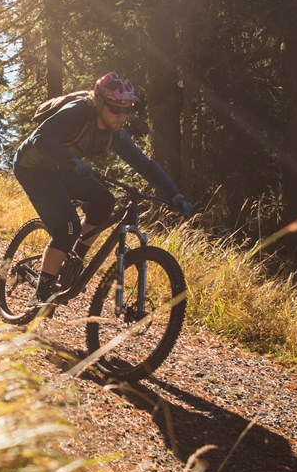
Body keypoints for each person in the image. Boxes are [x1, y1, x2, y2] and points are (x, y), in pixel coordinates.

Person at [12, 72, 194, 306]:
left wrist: (175, 195)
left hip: (63, 168)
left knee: (104, 203)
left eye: (126, 110)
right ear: (99, 103)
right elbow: (41, 138)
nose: (121, 116)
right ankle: (42, 292)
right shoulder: (77, 112)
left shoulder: (115, 134)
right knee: (68, 228)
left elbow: (144, 164)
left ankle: (73, 262)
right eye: (115, 109)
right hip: (34, 166)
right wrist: (72, 162)